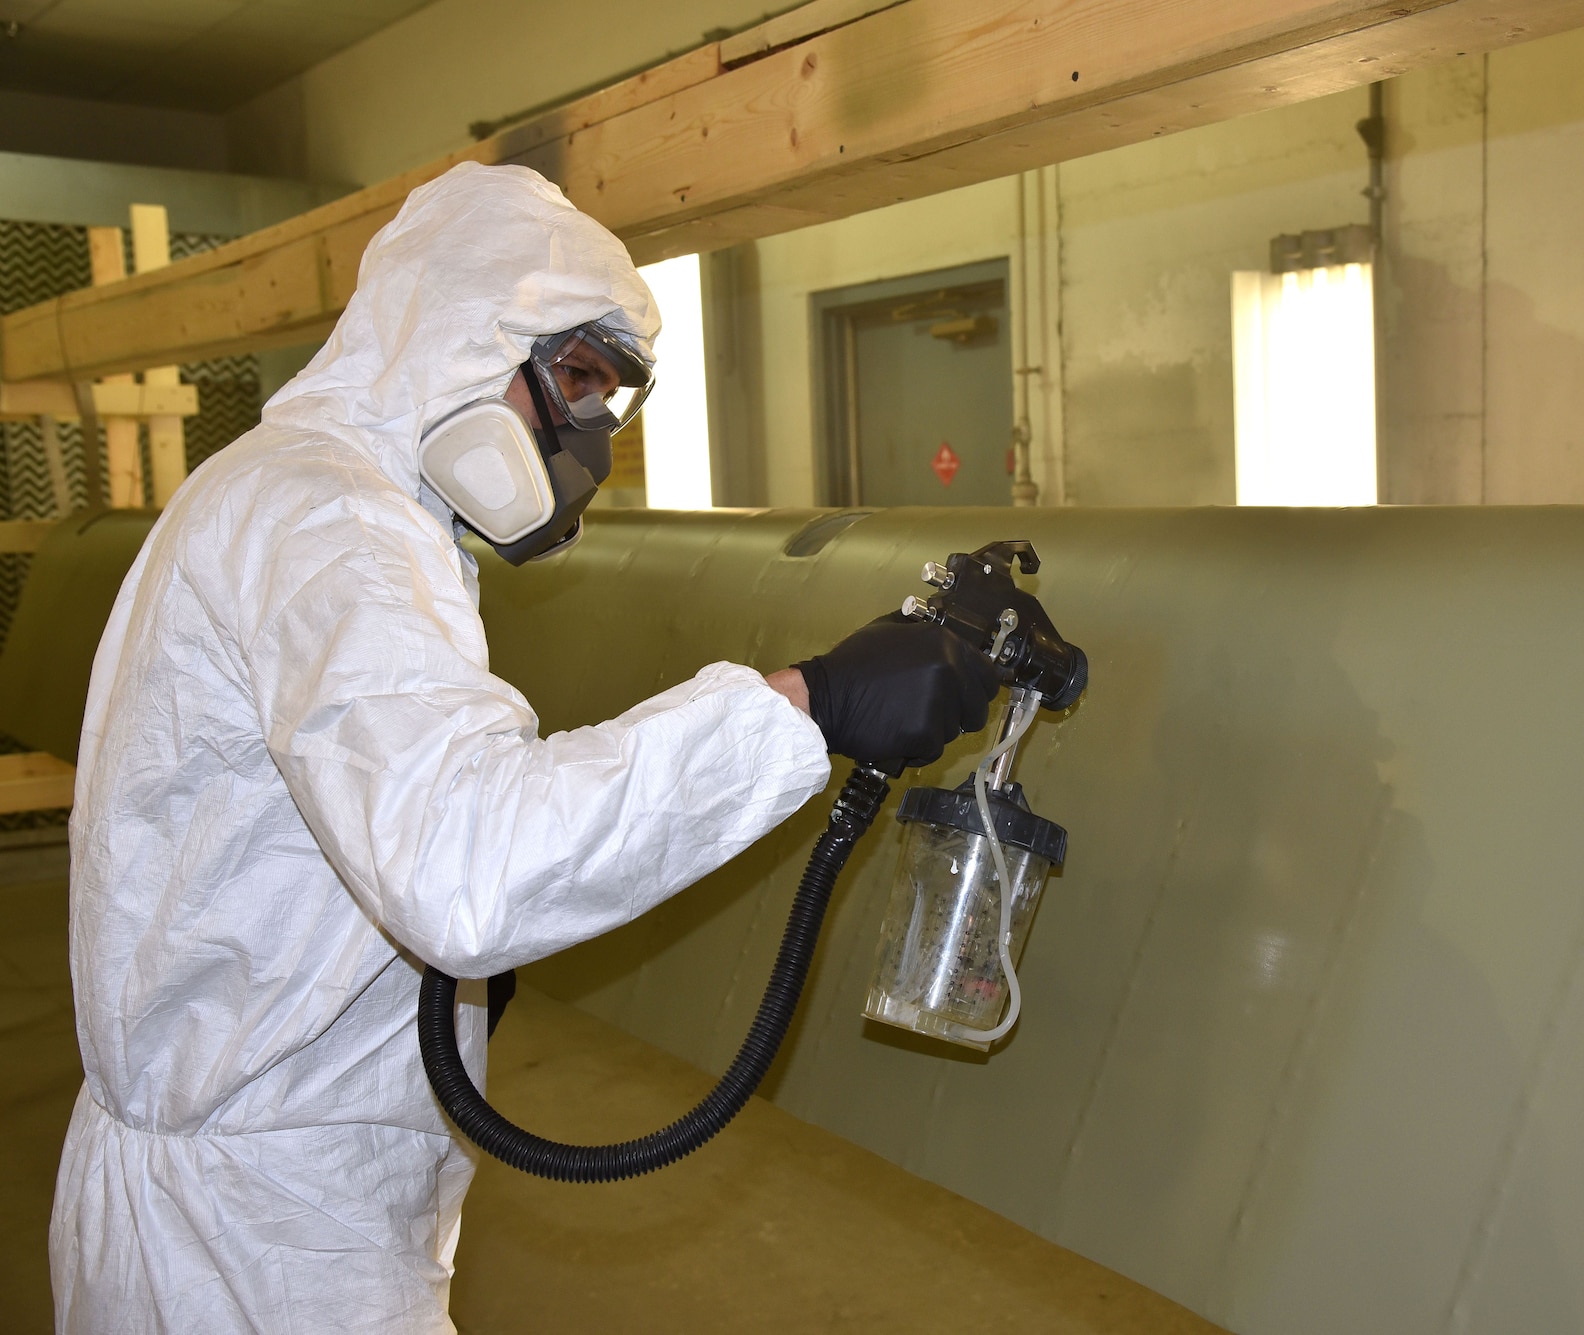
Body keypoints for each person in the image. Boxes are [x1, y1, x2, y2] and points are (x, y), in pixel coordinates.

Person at [49, 162, 998, 1333]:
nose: (592, 435)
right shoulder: (332, 525)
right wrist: (804, 702)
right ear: (457, 341)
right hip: (259, 1245)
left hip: (254, 1185)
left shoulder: (301, 495)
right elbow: (467, 867)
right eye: (579, 380)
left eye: (611, 394)